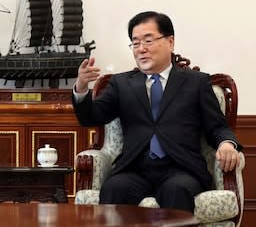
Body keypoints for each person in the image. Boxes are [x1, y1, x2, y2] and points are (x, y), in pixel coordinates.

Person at [72, 11, 241, 212]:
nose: (141, 49)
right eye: (135, 43)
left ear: (170, 42)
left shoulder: (196, 83)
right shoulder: (121, 84)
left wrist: (226, 144)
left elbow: (217, 127)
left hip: (181, 169)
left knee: (177, 190)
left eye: (148, 41)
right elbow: (92, 117)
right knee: (114, 188)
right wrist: (81, 88)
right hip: (135, 169)